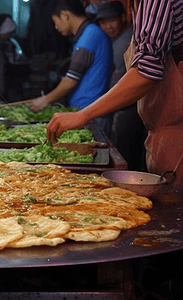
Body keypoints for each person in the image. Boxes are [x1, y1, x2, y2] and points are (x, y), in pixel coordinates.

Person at [47, 0, 183, 186]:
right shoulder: (136, 8)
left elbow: (147, 72)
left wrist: (84, 114)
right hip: (161, 129)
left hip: (177, 130)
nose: (93, 2)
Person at [27, 0, 113, 135]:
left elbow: (71, 80)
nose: (56, 27)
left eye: (55, 21)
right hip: (87, 113)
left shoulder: (89, 36)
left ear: (65, 15)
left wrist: (44, 100)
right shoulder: (87, 34)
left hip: (91, 114)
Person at [95, 0, 146, 171]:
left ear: (124, 17)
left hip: (130, 107)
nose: (108, 26)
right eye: (103, 22)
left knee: (128, 157)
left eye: (112, 20)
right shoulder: (115, 41)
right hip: (124, 106)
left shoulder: (128, 39)